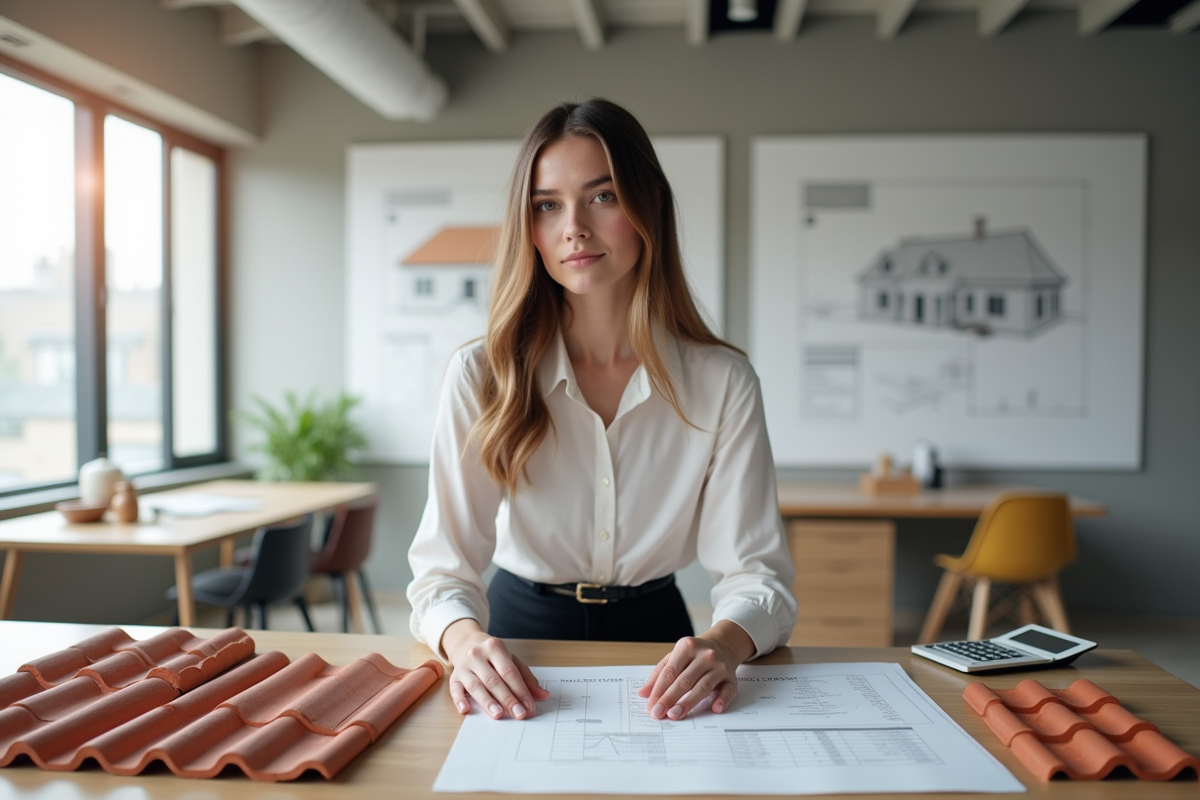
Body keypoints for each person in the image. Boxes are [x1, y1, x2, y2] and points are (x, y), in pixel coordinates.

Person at [407, 98, 796, 724]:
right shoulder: (482, 375)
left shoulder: (723, 382)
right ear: (528, 227)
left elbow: (758, 578)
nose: (574, 229)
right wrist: (463, 640)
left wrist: (724, 645)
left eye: (603, 196)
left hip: (662, 641)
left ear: (648, 208)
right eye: (547, 205)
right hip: (515, 643)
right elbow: (440, 571)